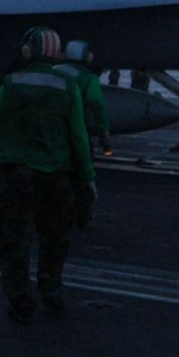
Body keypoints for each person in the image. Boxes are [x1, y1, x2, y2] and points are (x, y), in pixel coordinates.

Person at [0, 27, 95, 321]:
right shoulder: (67, 86)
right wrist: (87, 177)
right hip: (57, 176)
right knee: (56, 237)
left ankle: (20, 301)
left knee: (14, 239)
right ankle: (51, 289)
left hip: (18, 176)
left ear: (27, 50)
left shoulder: (11, 82)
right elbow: (79, 136)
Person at [53, 39, 111, 229]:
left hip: (50, 133)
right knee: (82, 177)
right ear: (87, 56)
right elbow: (96, 101)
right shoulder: (88, 77)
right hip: (76, 133)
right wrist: (104, 127)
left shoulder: (53, 71)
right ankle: (82, 216)